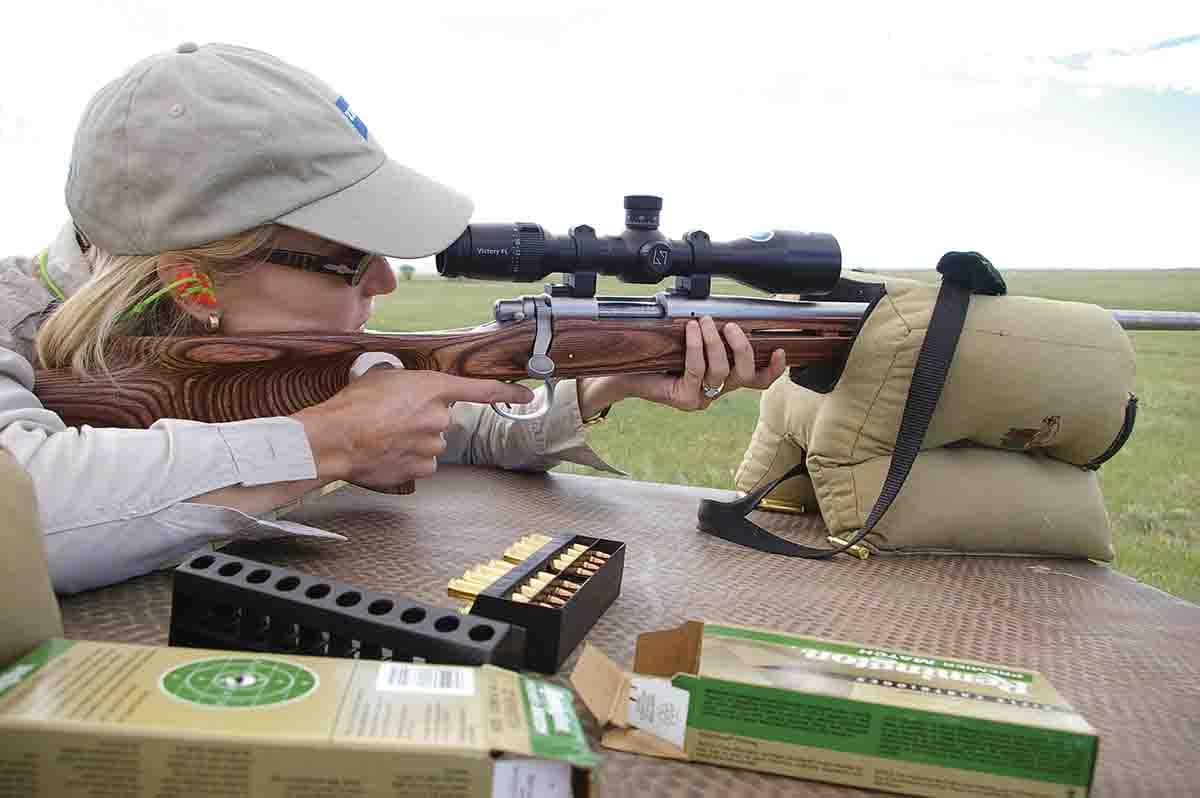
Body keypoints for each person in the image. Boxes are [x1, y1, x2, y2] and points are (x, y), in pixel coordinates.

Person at [0, 42, 786, 594]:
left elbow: (448, 422)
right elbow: (27, 508)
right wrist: (330, 442)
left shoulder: (260, 332)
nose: (385, 279)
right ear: (193, 283)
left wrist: (604, 379)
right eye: (350, 260)